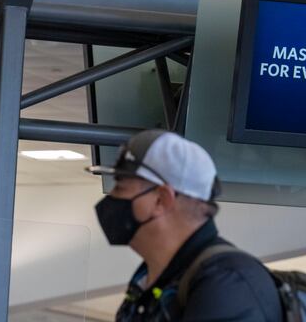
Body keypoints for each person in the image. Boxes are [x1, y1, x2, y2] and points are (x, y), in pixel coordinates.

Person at [88, 130, 283, 321]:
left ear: (161, 200)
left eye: (120, 188)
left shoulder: (228, 284)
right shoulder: (151, 278)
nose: (112, 197)